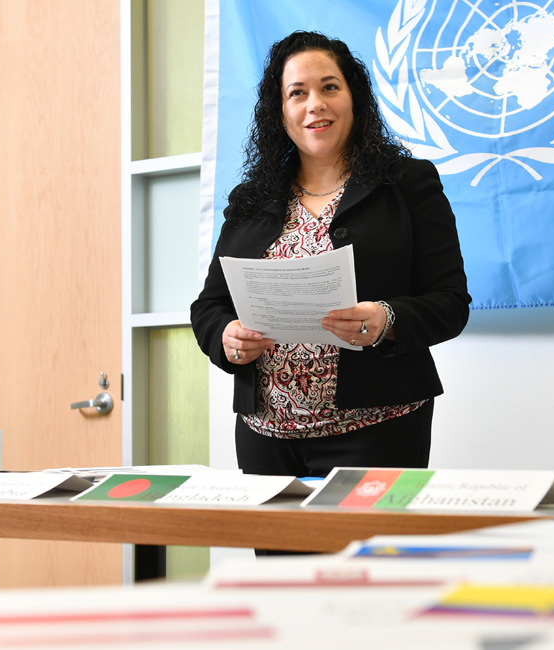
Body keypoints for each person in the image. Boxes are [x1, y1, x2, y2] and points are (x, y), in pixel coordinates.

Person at [191, 31, 470, 479]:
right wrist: (225, 337)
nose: (314, 104)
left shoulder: (409, 183)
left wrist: (386, 320)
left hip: (379, 430)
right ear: (280, 112)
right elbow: (209, 306)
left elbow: (451, 302)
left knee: (364, 554)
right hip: (266, 439)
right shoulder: (251, 199)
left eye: (329, 87)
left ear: (354, 98)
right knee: (279, 553)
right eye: (297, 93)